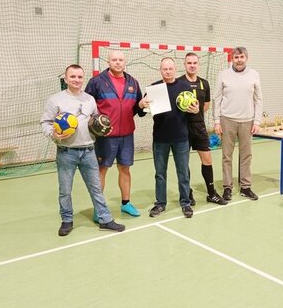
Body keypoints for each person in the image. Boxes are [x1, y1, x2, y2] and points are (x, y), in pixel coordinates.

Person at [41, 64, 125, 236]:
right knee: (65, 190)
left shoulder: (89, 99)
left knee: (96, 188)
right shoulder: (55, 100)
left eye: (79, 77)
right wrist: (54, 134)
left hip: (88, 151)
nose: (76, 80)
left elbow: (94, 121)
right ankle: (67, 220)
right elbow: (46, 122)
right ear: (66, 79)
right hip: (66, 152)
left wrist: (103, 128)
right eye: (72, 76)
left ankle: (105, 219)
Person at [85, 50, 147, 219]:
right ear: (108, 62)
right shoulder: (96, 82)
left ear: (125, 62)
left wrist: (142, 105)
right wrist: (94, 126)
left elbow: (138, 109)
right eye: (114, 60)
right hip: (105, 137)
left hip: (127, 134)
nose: (118, 62)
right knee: (101, 169)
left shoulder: (133, 82)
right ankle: (99, 208)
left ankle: (126, 203)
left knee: (125, 169)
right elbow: (86, 107)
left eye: (120, 60)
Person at [147, 57, 200, 218]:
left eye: (170, 68)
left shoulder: (184, 87)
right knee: (160, 173)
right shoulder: (154, 88)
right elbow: (142, 111)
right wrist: (142, 105)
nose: (168, 71)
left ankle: (186, 203)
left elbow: (193, 111)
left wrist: (196, 110)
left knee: (183, 172)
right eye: (165, 69)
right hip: (160, 138)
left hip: (181, 138)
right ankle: (160, 204)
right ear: (160, 70)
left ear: (175, 69)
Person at [213, 46, 263, 201]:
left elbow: (258, 99)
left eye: (242, 57)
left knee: (246, 155)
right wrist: (216, 121)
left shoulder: (254, 74)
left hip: (247, 121)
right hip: (227, 120)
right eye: (236, 57)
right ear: (232, 59)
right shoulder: (223, 75)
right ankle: (227, 187)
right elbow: (217, 99)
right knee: (227, 156)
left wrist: (257, 120)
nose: (239, 60)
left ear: (246, 58)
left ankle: (245, 187)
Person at [180, 52, 227, 206]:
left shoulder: (204, 83)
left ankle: (211, 193)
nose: (192, 65)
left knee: (207, 160)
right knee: (183, 162)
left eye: (195, 63)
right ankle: (187, 192)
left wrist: (196, 113)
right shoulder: (179, 83)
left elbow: (206, 105)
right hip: (183, 128)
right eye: (189, 63)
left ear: (198, 65)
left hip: (199, 127)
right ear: (184, 65)